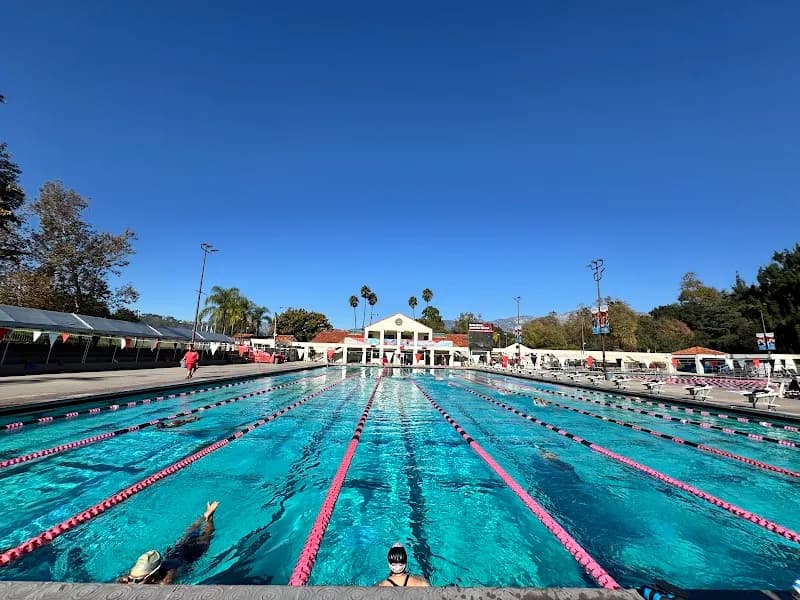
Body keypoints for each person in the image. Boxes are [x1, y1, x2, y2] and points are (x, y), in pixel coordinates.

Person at [118, 501, 219, 584]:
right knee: (187, 535)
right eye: (132, 578)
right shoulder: (135, 574)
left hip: (190, 556)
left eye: (138, 580)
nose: (133, 582)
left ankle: (209, 517)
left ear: (152, 576)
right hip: (173, 553)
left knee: (205, 537)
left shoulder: (167, 579)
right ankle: (203, 517)